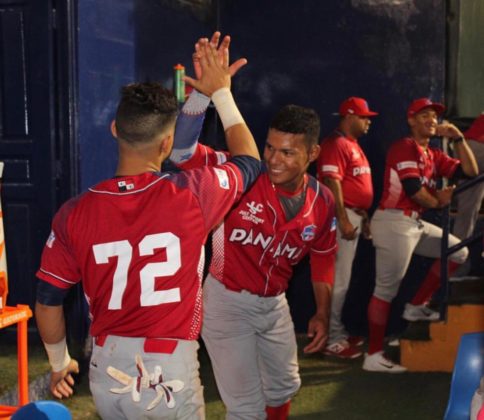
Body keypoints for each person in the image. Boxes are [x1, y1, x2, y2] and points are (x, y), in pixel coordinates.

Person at [34, 39, 261, 419]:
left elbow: (47, 299)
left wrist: (59, 363)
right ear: (167, 142)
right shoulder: (193, 194)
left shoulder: (74, 212)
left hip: (106, 367)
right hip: (167, 370)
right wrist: (221, 93)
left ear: (114, 129)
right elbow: (250, 162)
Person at [173, 43, 337, 418]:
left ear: (312, 154)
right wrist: (203, 95)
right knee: (246, 408)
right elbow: (182, 153)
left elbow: (323, 259)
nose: (274, 160)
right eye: (270, 147)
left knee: (283, 388)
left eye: (288, 153)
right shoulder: (241, 175)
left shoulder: (323, 200)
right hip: (227, 302)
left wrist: (322, 313)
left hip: (274, 304)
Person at [363, 98, 478, 373]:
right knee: (385, 290)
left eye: (435, 116)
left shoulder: (432, 154)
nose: (432, 120)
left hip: (413, 223)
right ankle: (373, 354)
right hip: (393, 221)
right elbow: (414, 190)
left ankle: (416, 305)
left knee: (458, 251)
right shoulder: (405, 147)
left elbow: (471, 171)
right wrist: (440, 201)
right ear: (411, 120)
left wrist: (458, 137)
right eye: (424, 115)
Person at [317, 97, 378, 359]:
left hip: (353, 216)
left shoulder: (351, 144)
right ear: (350, 116)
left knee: (341, 280)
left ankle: (336, 331)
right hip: (337, 218)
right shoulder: (336, 143)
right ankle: (332, 338)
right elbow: (332, 182)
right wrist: (343, 218)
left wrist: (362, 216)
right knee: (337, 282)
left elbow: (355, 187)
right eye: (364, 117)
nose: (368, 122)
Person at [452, 113, 484, 276]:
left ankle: (457, 268)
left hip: (466, 148)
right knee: (467, 213)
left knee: (467, 213)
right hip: (477, 148)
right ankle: (456, 267)